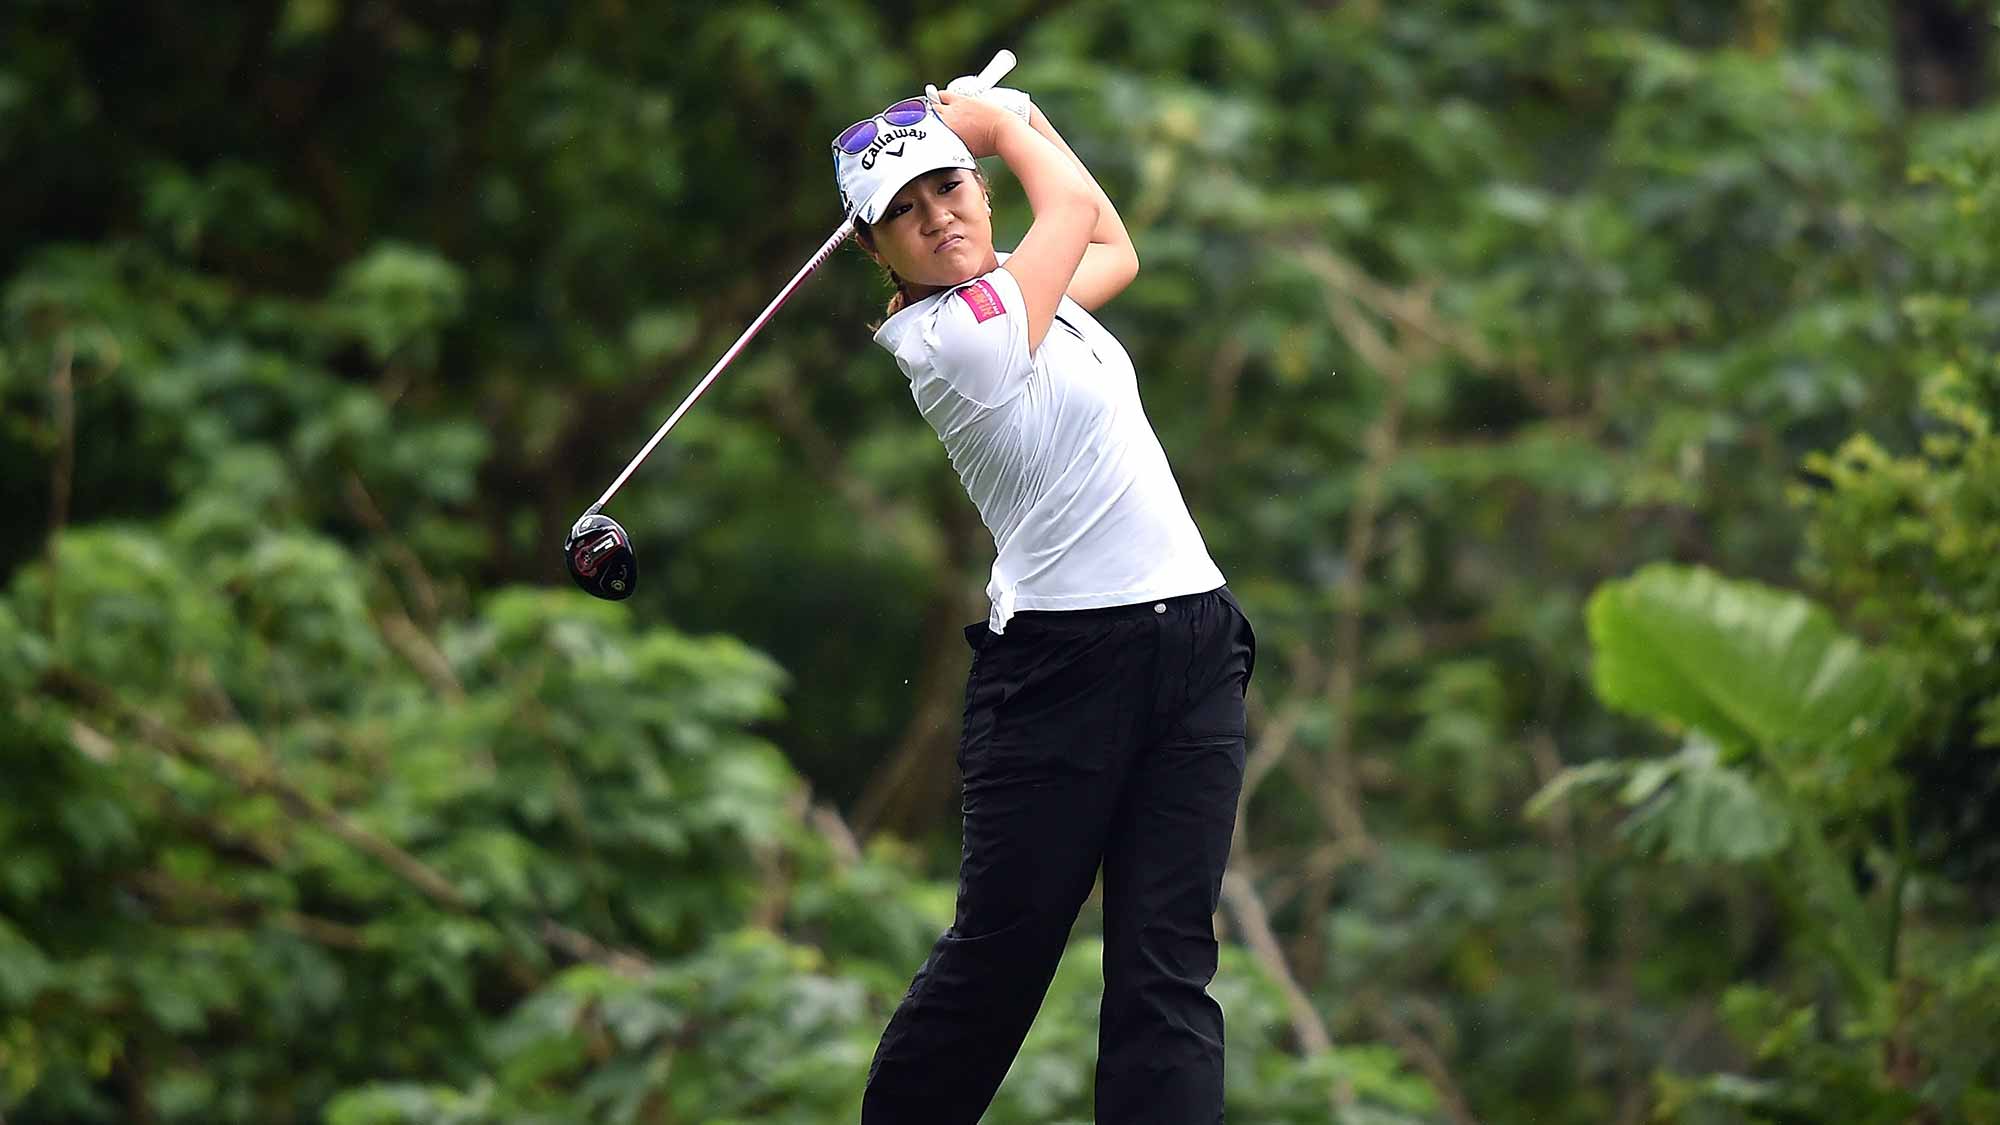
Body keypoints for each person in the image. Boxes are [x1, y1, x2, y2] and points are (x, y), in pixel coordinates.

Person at [832, 77, 1256, 1125]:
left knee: (1167, 967)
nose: (937, 215)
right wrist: (999, 126)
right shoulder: (955, 340)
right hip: (1062, 678)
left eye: (948, 186)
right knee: (1001, 963)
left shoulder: (1023, 298)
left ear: (977, 194)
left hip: (1194, 646)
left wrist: (1024, 127)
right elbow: (1066, 213)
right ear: (873, 252)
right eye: (904, 210)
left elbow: (1110, 243)